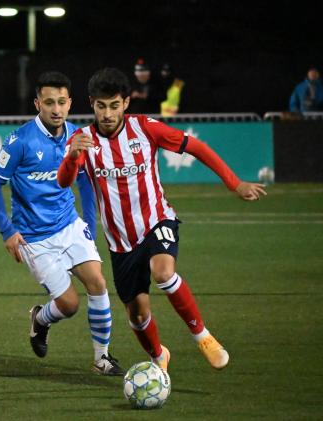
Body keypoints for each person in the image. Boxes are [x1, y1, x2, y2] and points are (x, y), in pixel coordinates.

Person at [57, 67, 267, 372]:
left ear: (126, 103)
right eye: (101, 106)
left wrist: (234, 183)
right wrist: (72, 157)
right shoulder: (82, 141)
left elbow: (196, 147)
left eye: (114, 105)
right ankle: (158, 358)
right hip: (121, 242)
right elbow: (64, 182)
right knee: (138, 314)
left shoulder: (145, 128)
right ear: (91, 103)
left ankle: (203, 336)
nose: (107, 113)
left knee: (163, 271)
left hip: (157, 221)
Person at [0, 71, 124, 375]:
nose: (56, 109)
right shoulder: (20, 141)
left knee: (98, 282)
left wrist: (87, 222)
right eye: (49, 102)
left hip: (69, 225)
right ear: (38, 104)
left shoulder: (78, 136)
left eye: (61, 102)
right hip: (34, 237)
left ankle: (102, 357)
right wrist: (8, 231)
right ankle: (40, 319)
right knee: (69, 304)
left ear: (70, 103)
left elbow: (86, 181)